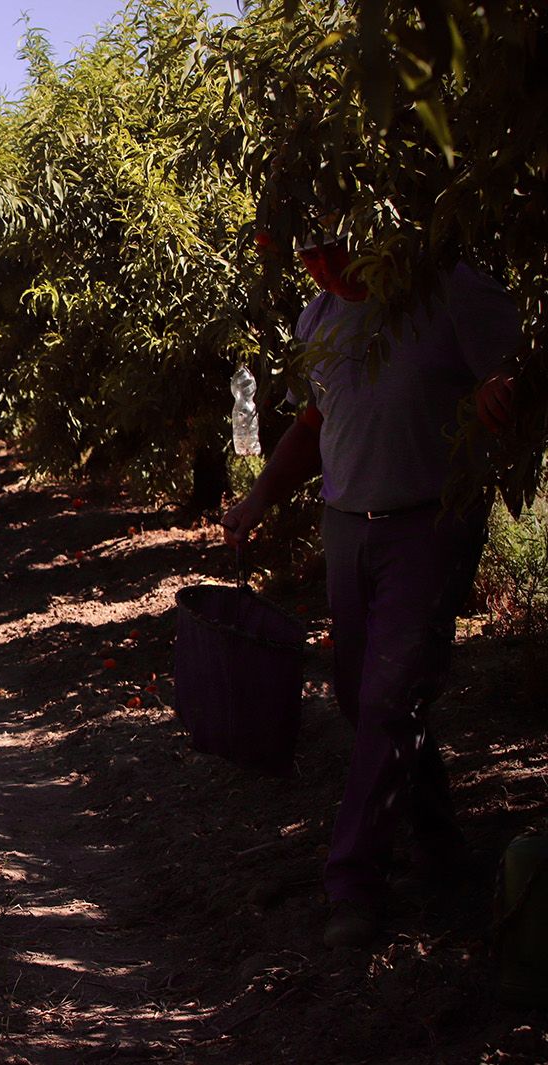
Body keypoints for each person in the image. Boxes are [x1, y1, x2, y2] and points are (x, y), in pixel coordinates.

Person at [222, 226, 519, 949]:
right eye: (305, 257)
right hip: (348, 527)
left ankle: (353, 882)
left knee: (389, 697)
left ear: (371, 230)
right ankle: (442, 844)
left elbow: (516, 374)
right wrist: (259, 498)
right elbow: (314, 424)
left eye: (329, 249)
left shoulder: (445, 288)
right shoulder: (317, 316)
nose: (319, 267)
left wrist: (502, 396)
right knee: (366, 697)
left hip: (430, 523)